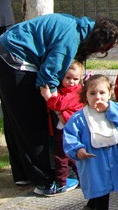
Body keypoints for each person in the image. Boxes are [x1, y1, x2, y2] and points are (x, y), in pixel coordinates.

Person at [0, 14, 118, 190]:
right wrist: (58, 108)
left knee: (16, 119)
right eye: (103, 49)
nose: (101, 52)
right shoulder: (70, 38)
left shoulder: (76, 25)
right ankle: (47, 181)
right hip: (13, 61)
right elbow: (48, 77)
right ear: (98, 40)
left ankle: (23, 174)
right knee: (34, 122)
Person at [63, 74, 118, 209]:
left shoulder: (112, 110)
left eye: (102, 93)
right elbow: (70, 135)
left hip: (112, 156)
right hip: (93, 161)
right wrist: (77, 149)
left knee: (104, 189)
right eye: (92, 93)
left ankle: (90, 206)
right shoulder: (79, 118)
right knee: (99, 187)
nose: (97, 97)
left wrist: (108, 108)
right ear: (85, 96)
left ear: (109, 94)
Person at [39, 60, 84, 196]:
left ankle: (61, 183)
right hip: (64, 127)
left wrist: (47, 96)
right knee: (70, 156)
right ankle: (82, 177)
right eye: (68, 78)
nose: (71, 82)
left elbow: (59, 104)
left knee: (61, 156)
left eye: (75, 79)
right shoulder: (65, 90)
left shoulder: (76, 92)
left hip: (68, 129)